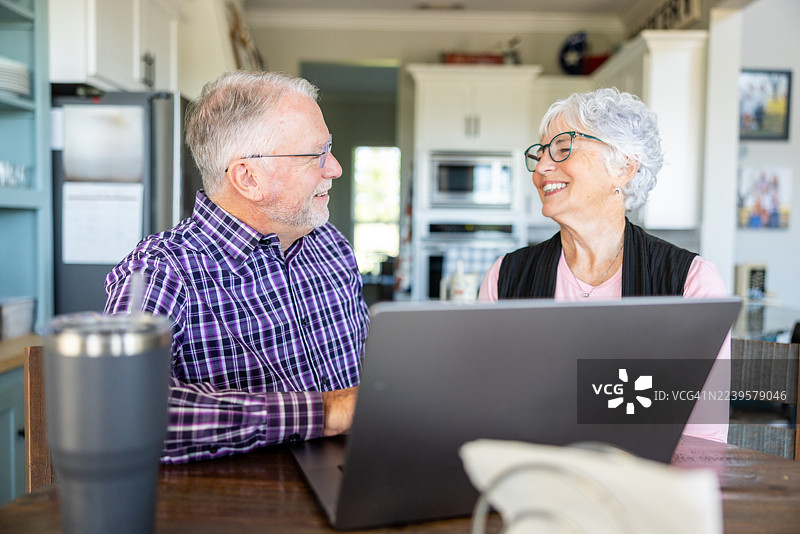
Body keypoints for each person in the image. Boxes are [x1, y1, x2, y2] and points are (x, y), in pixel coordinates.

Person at [104, 71, 369, 463]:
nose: (335, 168)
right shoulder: (160, 271)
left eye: (328, 148)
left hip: (356, 478)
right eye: (316, 155)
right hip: (240, 507)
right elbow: (119, 411)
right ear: (248, 177)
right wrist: (324, 412)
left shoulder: (331, 247)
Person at [479, 87, 730, 443]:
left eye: (563, 148)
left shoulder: (691, 282)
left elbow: (702, 438)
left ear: (624, 167)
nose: (541, 169)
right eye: (540, 154)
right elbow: (484, 413)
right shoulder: (505, 277)